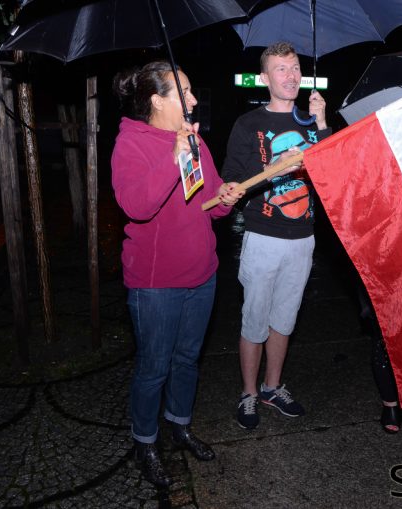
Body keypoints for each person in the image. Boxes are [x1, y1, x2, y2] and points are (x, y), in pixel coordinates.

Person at [111, 61, 243, 487]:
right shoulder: (130, 144)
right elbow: (137, 207)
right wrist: (174, 158)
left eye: (190, 91)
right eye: (183, 92)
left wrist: (226, 198)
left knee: (187, 360)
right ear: (157, 101)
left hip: (202, 273)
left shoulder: (195, 141)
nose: (192, 99)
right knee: (154, 367)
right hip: (156, 285)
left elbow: (209, 202)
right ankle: (145, 442)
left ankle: (180, 426)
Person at [223, 41, 331, 430]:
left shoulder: (310, 122)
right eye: (281, 69)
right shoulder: (248, 124)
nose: (291, 75)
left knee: (284, 320)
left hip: (303, 238)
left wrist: (321, 123)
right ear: (266, 78)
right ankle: (249, 392)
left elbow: (332, 177)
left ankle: (272, 387)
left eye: (295, 67)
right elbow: (231, 180)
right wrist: (269, 172)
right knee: (254, 319)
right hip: (264, 236)